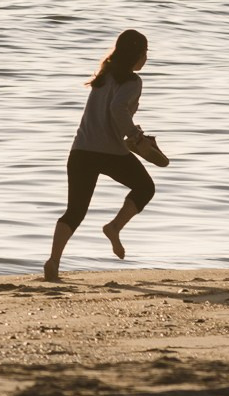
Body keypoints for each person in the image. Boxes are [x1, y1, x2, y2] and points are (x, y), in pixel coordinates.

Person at [44, 27, 169, 281]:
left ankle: (53, 261)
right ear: (137, 55)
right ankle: (114, 227)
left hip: (81, 151)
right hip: (110, 152)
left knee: (75, 211)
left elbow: (111, 112)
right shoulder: (133, 81)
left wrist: (133, 134)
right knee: (145, 188)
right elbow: (117, 109)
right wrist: (135, 137)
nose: (146, 58)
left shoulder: (104, 75)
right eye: (145, 52)